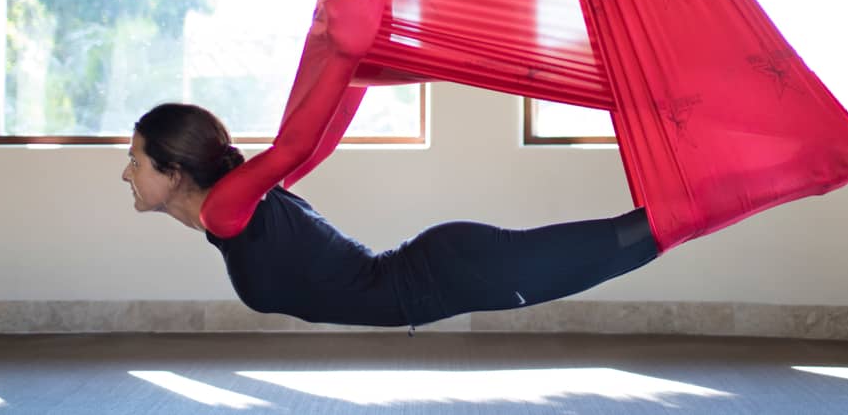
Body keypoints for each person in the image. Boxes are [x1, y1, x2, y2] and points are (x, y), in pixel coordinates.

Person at [123, 102, 659, 328]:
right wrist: (354, 68)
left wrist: (347, 51)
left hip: (440, 275)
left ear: (173, 171)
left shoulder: (226, 210)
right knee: (628, 245)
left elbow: (296, 144)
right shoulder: (236, 204)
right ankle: (707, 202)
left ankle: (723, 192)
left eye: (135, 160)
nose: (126, 174)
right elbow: (313, 144)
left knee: (628, 240)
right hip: (437, 275)